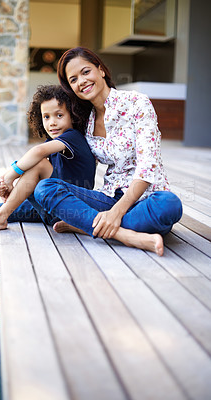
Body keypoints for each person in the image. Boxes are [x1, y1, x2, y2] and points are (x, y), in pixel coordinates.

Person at [30, 47, 183, 256]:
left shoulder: (136, 102)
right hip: (108, 198)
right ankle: (125, 235)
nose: (81, 81)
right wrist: (3, 209)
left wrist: (116, 213)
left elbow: (149, 166)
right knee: (44, 188)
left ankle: (86, 224)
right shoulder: (84, 120)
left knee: (170, 204)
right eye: (73, 79)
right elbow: (71, 168)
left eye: (85, 72)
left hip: (147, 199)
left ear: (100, 70)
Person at [0, 85, 96, 249]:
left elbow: (37, 153)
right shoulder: (53, 143)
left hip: (69, 206)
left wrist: (9, 176)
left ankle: (0, 218)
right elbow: (32, 168)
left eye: (59, 115)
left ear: (73, 116)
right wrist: (9, 188)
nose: (52, 122)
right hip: (50, 207)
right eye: (46, 117)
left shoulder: (74, 137)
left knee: (37, 163)